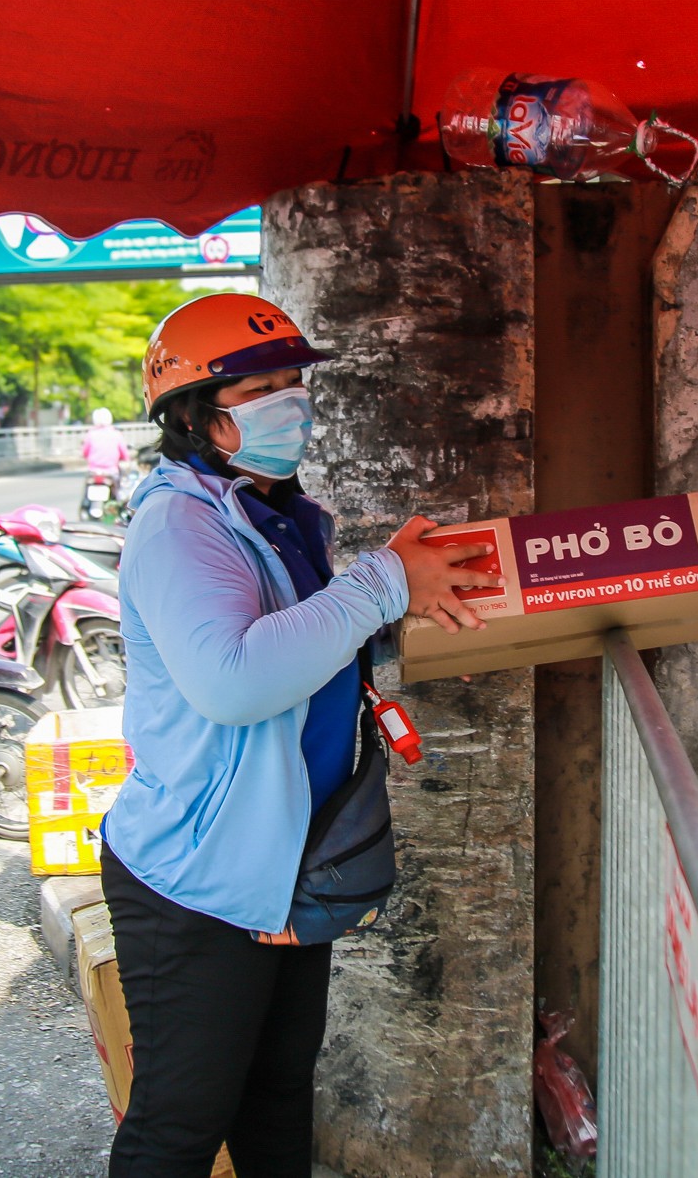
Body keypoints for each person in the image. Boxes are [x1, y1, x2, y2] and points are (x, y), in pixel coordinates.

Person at [99, 294, 494, 1177]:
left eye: (293, 382)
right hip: (196, 879)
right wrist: (384, 579)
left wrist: (407, 625)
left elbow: (309, 642)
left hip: (285, 861)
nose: (293, 402)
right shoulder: (179, 524)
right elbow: (235, 681)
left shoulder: (275, 513)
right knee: (181, 1122)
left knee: (278, 1100)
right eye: (262, 387)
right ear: (199, 417)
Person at [81, 405, 131, 516]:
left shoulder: (91, 434)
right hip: (111, 472)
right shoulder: (116, 434)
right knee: (118, 494)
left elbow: (84, 452)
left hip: (93, 471)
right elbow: (124, 454)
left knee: (85, 494)